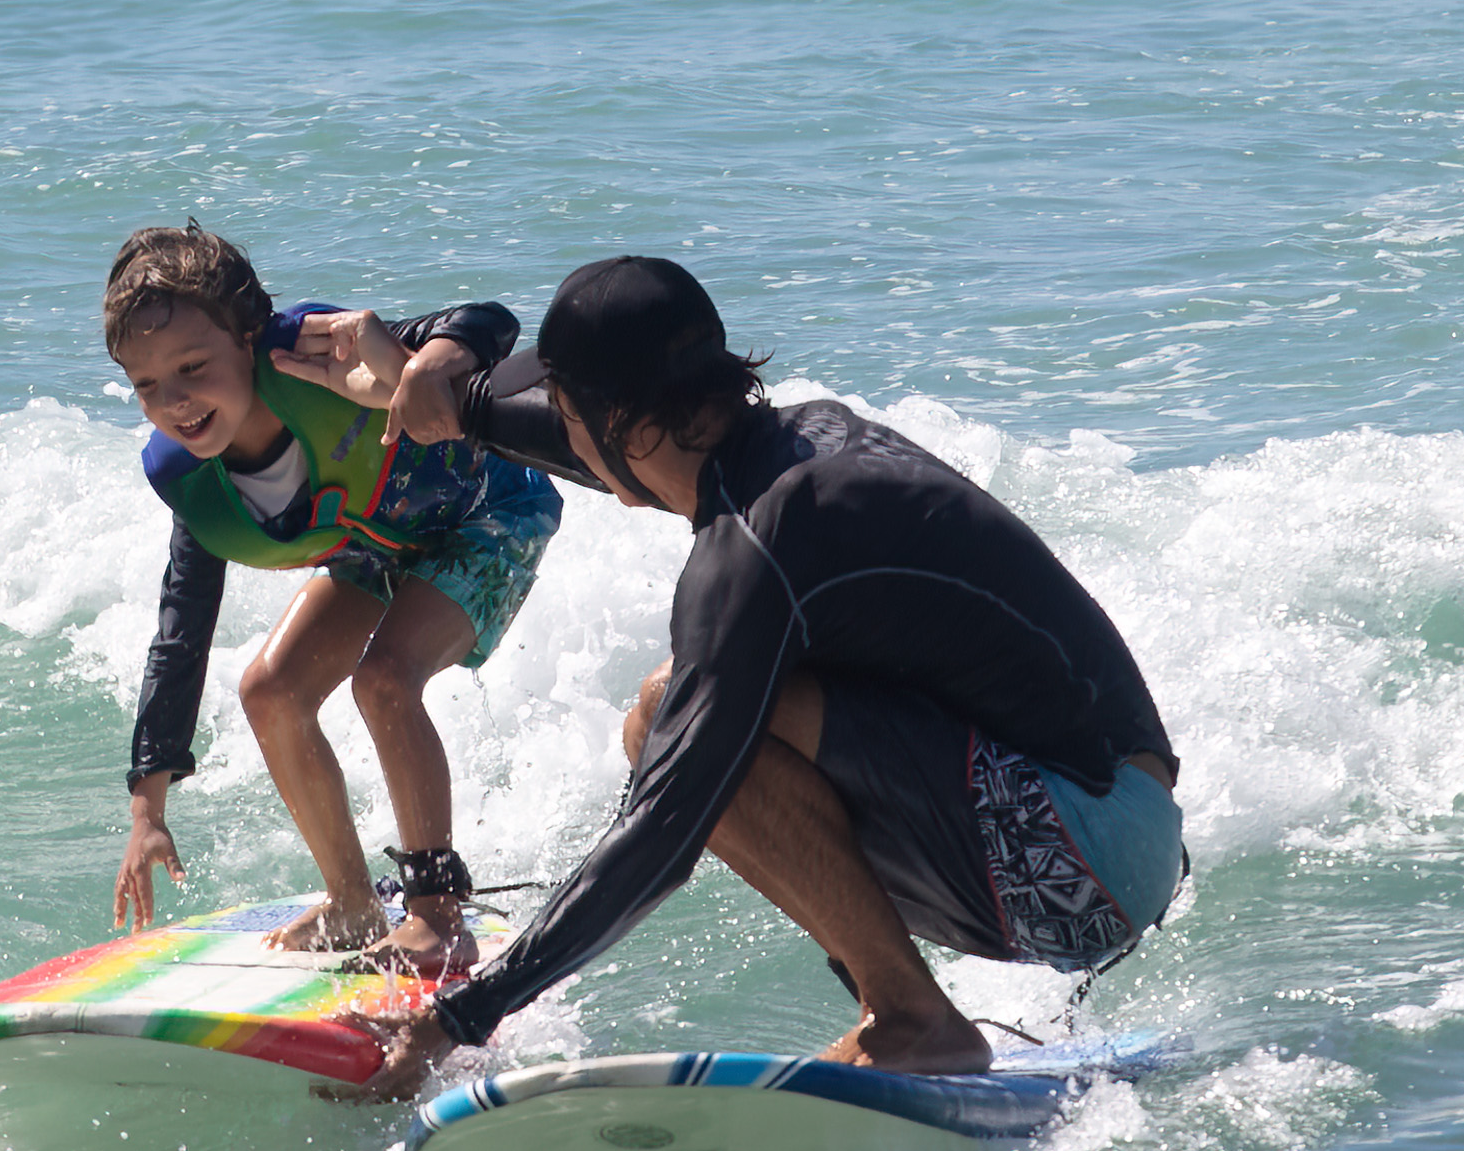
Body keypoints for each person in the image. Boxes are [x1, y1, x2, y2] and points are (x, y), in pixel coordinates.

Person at [318, 255, 1184, 1097]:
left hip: (1084, 858)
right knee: (666, 721)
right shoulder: (785, 451)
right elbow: (557, 427)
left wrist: (459, 1020)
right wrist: (442, 389)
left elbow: (665, 831)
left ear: (624, 426)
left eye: (571, 412)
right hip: (1112, 825)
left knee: (674, 726)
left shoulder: (758, 548)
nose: (559, 429)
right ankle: (906, 1013)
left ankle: (915, 1023)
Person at [104, 223, 563, 975]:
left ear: (250, 338)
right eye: (149, 385)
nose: (176, 402)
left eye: (192, 367)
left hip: (491, 509)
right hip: (381, 544)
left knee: (384, 679)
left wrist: (426, 368)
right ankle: (351, 903)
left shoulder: (315, 350)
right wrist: (148, 807)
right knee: (269, 689)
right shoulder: (196, 477)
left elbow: (490, 323)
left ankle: (437, 917)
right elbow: (180, 627)